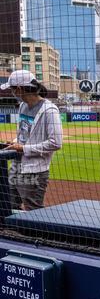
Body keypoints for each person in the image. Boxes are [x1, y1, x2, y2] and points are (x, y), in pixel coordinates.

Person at [2, 70, 62, 211]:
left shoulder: (49, 111)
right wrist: (15, 142)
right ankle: (13, 233)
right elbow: (24, 134)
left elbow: (56, 142)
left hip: (34, 169)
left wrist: (23, 148)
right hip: (17, 165)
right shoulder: (23, 106)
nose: (12, 93)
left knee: (33, 209)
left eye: (12, 89)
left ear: (19, 89)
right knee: (9, 205)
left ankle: (38, 234)